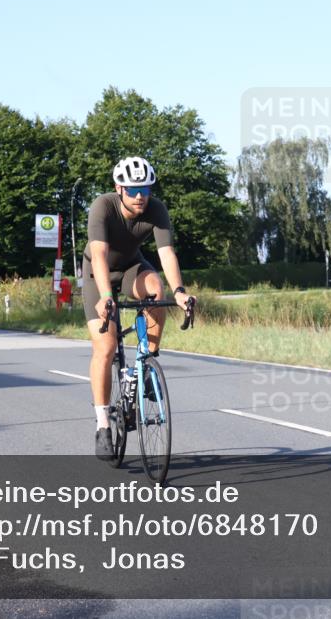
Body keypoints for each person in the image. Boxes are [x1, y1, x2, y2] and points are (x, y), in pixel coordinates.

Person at [82, 156, 194, 460]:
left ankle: (146, 363)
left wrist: (180, 292)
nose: (140, 195)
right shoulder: (102, 207)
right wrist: (106, 296)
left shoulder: (156, 209)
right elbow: (100, 255)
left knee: (156, 291)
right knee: (105, 348)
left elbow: (167, 253)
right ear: (119, 188)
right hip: (98, 272)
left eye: (145, 188)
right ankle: (103, 424)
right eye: (133, 190)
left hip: (132, 267)